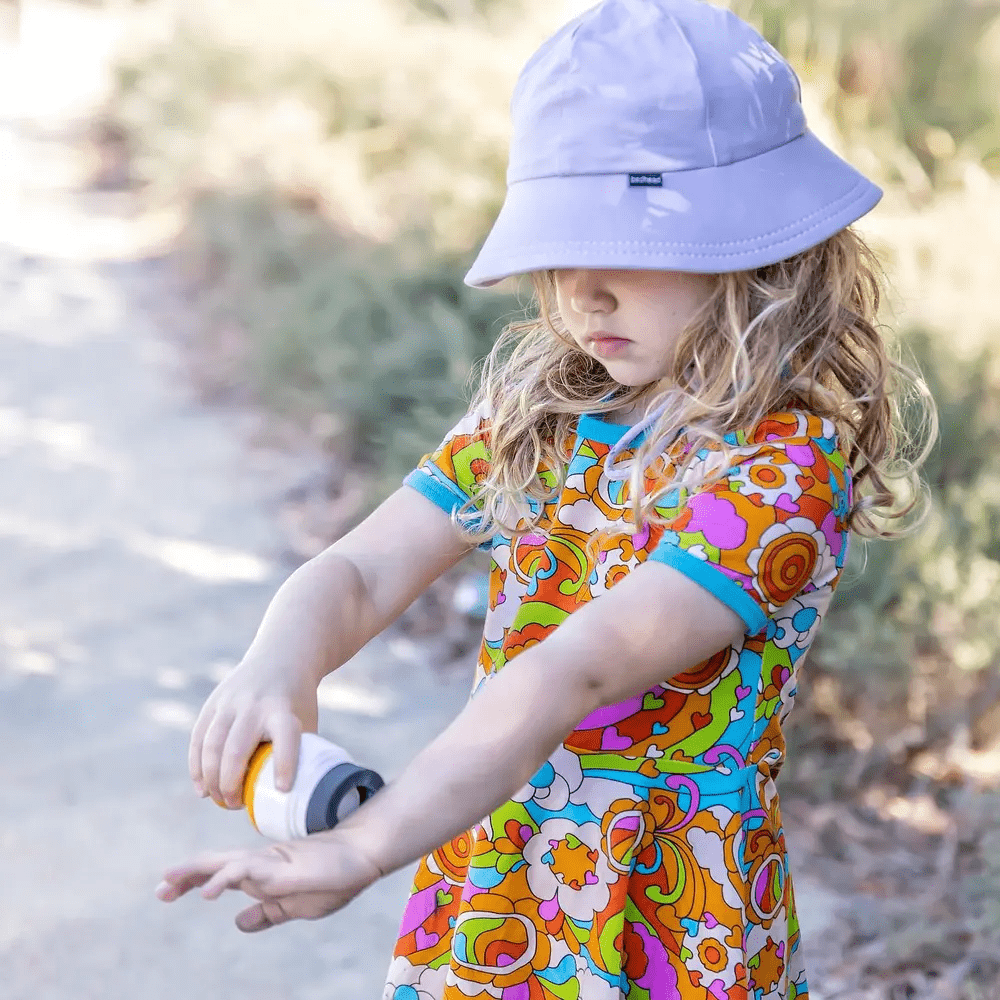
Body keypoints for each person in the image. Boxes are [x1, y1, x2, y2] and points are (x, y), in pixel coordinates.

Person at [155, 1, 935, 997]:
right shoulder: (545, 412)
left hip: (671, 913)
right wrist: (279, 661)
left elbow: (572, 670)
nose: (583, 290)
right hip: (493, 877)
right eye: (562, 249)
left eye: (629, 245)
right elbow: (359, 569)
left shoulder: (782, 469)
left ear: (757, 248)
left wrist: (362, 850)